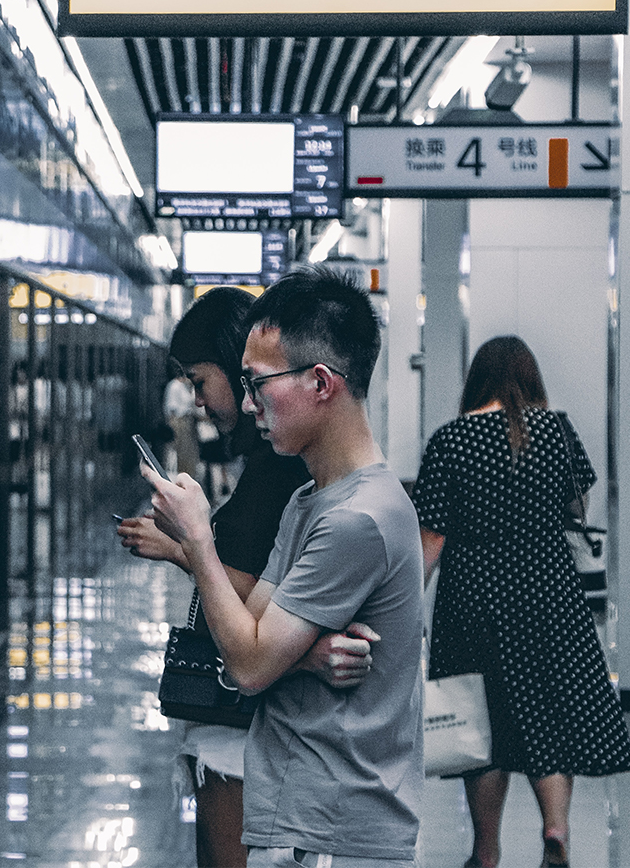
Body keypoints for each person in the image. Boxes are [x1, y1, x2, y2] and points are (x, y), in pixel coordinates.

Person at [144, 268, 424, 868]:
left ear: (321, 383)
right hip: (300, 815)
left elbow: (246, 663)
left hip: (335, 831)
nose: (248, 404)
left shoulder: (358, 519)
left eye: (258, 384)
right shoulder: (309, 500)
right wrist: (306, 651)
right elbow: (252, 630)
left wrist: (195, 538)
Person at [413, 336, 630, 868]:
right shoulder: (556, 431)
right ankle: (555, 830)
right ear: (531, 379)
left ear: (477, 380)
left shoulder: (452, 440)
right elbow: (577, 502)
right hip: (548, 590)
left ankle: (485, 850)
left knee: (480, 722)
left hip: (474, 597)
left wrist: (399, 609)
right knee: (549, 715)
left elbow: (433, 538)